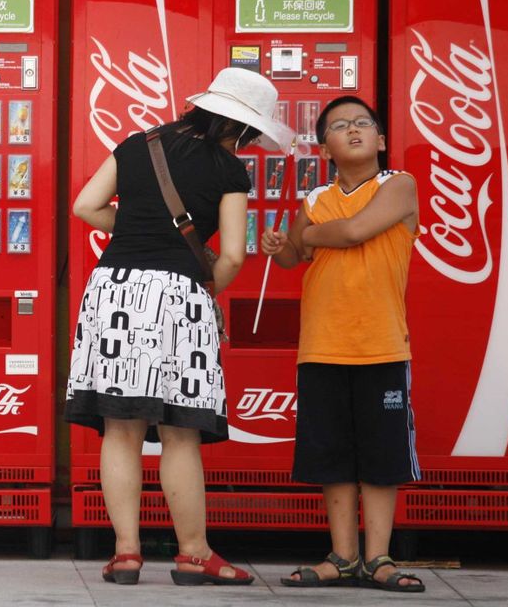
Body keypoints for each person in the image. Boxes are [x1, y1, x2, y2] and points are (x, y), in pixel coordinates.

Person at [65, 67, 294, 586]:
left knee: (121, 429)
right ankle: (193, 554)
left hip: (114, 289)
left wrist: (134, 231)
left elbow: (85, 206)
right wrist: (205, 284)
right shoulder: (229, 169)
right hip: (178, 297)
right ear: (244, 127)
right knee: (180, 432)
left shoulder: (137, 144)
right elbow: (232, 255)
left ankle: (126, 554)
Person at [260, 96, 424, 593]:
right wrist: (281, 246)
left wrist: (309, 237)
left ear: (381, 139)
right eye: (338, 126)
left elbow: (353, 232)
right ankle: (343, 557)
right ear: (325, 149)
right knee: (331, 456)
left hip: (381, 344)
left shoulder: (399, 185)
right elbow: (293, 255)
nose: (353, 130)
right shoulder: (314, 200)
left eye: (362, 123)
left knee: (381, 457)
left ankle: (379, 559)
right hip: (321, 345)